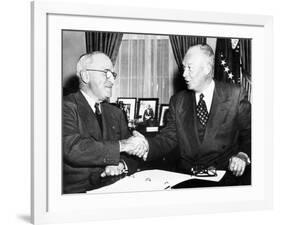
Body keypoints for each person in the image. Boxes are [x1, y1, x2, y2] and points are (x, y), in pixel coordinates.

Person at [123, 44, 251, 185]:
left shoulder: (235, 95)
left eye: (189, 68)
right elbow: (168, 138)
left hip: (224, 180)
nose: (184, 74)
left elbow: (250, 136)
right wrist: (147, 145)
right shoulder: (178, 101)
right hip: (187, 180)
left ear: (207, 69)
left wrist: (243, 156)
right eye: (184, 68)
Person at [63, 52, 140, 193]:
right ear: (86, 76)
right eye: (106, 73)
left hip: (115, 188)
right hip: (77, 193)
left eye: (112, 74)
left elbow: (133, 157)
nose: (112, 80)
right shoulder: (64, 106)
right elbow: (72, 148)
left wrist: (121, 164)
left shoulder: (115, 113)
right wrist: (122, 145)